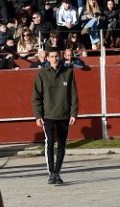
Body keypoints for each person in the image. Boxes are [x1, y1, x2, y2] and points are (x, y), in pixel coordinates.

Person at [31, 48, 78, 185]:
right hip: (48, 115)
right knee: (49, 143)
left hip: (64, 114)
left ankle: (57, 172)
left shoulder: (68, 73)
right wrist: (38, 115)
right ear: (48, 58)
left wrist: (73, 113)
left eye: (57, 56)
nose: (55, 59)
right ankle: (51, 172)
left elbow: (73, 95)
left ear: (60, 57)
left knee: (62, 144)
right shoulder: (42, 73)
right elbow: (36, 97)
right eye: (52, 56)